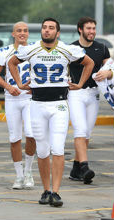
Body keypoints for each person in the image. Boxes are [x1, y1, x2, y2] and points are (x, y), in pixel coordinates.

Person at [8, 17, 94, 207]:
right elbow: (12, 63)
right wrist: (20, 84)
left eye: (51, 28)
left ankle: (56, 191)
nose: (47, 30)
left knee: (58, 148)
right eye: (44, 28)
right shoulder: (31, 49)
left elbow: (89, 63)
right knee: (43, 150)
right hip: (37, 104)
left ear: (58, 32)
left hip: (59, 105)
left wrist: (80, 84)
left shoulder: (66, 49)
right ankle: (46, 189)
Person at [0, 22, 36, 189]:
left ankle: (29, 171)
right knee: (14, 137)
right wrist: (9, 87)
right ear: (13, 34)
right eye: (19, 31)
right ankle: (18, 175)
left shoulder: (34, 49)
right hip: (12, 98)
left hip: (30, 98)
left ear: (28, 33)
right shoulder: (4, 52)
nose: (22, 33)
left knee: (31, 134)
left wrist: (36, 87)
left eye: (25, 30)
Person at [68, 17, 111, 184]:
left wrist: (109, 73)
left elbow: (111, 68)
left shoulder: (102, 48)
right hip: (75, 93)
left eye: (94, 28)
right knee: (80, 130)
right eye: (88, 28)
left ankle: (75, 169)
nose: (92, 31)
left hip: (93, 94)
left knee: (87, 133)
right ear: (80, 29)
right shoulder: (71, 48)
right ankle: (85, 167)